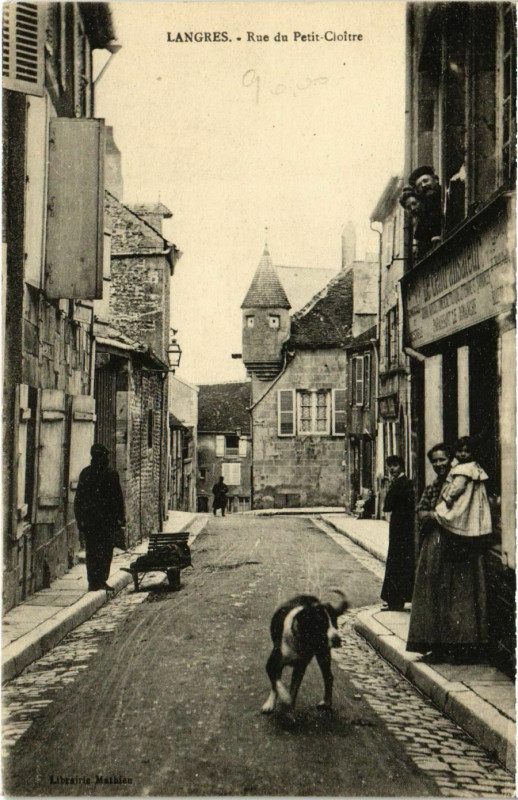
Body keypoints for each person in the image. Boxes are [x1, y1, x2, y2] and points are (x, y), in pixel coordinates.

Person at [407, 443, 489, 663]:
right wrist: (427, 514)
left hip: (459, 544)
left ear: (451, 459)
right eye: (434, 461)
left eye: (442, 459)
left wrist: (438, 516)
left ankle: (462, 647)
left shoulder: (461, 479)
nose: (438, 464)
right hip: (436, 543)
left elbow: (464, 510)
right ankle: (438, 645)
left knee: (460, 596)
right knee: (436, 593)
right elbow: (422, 508)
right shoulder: (435, 485)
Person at [74, 444, 125, 591]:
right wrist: (80, 519)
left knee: (101, 551)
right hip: (97, 522)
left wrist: (119, 518)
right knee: (96, 551)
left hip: (101, 522)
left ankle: (99, 580)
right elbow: (80, 499)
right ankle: (95, 581)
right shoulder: (91, 474)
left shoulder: (108, 474)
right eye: (101, 457)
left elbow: (118, 498)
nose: (103, 459)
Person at [434, 436, 492, 541]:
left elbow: (457, 487)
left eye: (467, 451)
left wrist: (449, 498)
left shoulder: (463, 468)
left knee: (456, 514)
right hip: (473, 499)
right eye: (460, 451)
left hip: (464, 499)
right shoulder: (474, 466)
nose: (463, 454)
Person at [380, 455, 415, 611]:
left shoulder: (402, 484)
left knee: (397, 562)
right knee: (398, 562)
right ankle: (395, 599)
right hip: (400, 527)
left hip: (402, 528)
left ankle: (396, 600)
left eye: (394, 465)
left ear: (402, 466)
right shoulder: (402, 483)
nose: (392, 469)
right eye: (390, 466)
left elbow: (387, 506)